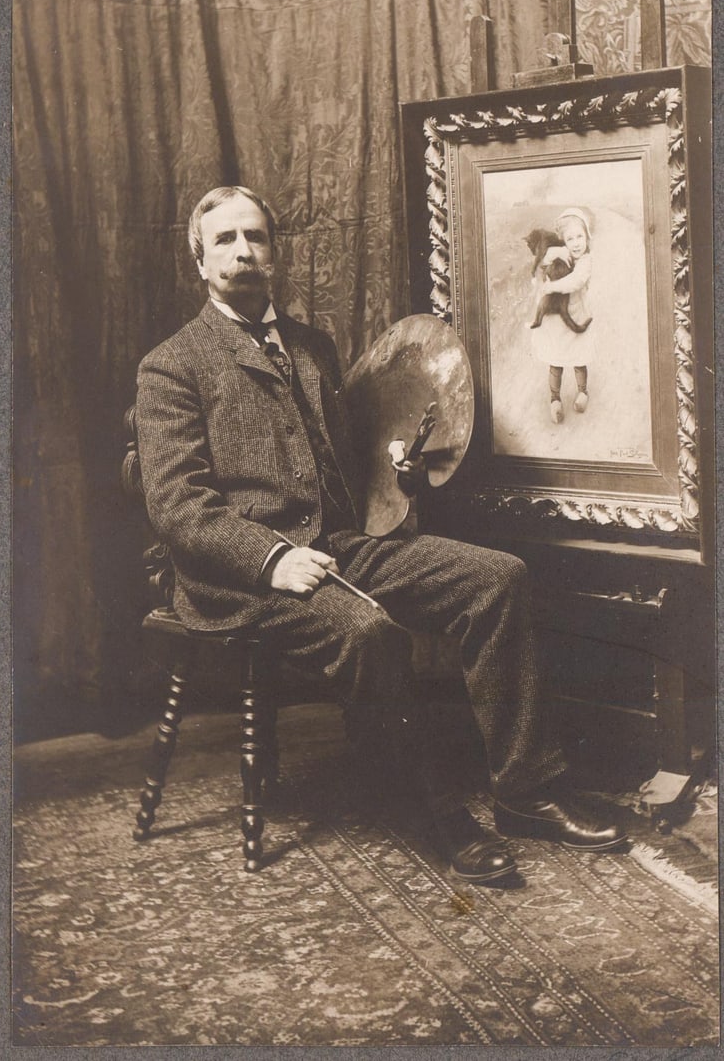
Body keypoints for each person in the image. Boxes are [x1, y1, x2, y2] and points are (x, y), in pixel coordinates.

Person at [135, 185, 625, 886]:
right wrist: (271, 558)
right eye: (225, 241)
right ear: (199, 258)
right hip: (241, 573)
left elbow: (346, 457)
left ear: (275, 250)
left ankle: (524, 792)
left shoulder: (312, 347)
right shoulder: (172, 366)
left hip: (339, 543)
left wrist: (397, 465)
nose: (243, 251)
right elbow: (179, 508)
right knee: (369, 634)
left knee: (498, 578)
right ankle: (435, 814)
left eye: (256, 237)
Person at [530, 208, 595, 424]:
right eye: (570, 238)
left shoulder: (585, 262)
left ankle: (582, 393)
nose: (576, 243)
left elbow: (575, 281)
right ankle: (555, 400)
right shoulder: (559, 252)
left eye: (580, 237)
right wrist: (555, 253)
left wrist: (551, 288)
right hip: (556, 321)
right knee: (556, 360)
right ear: (563, 240)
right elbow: (540, 265)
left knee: (579, 358)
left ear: (587, 237)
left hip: (577, 317)